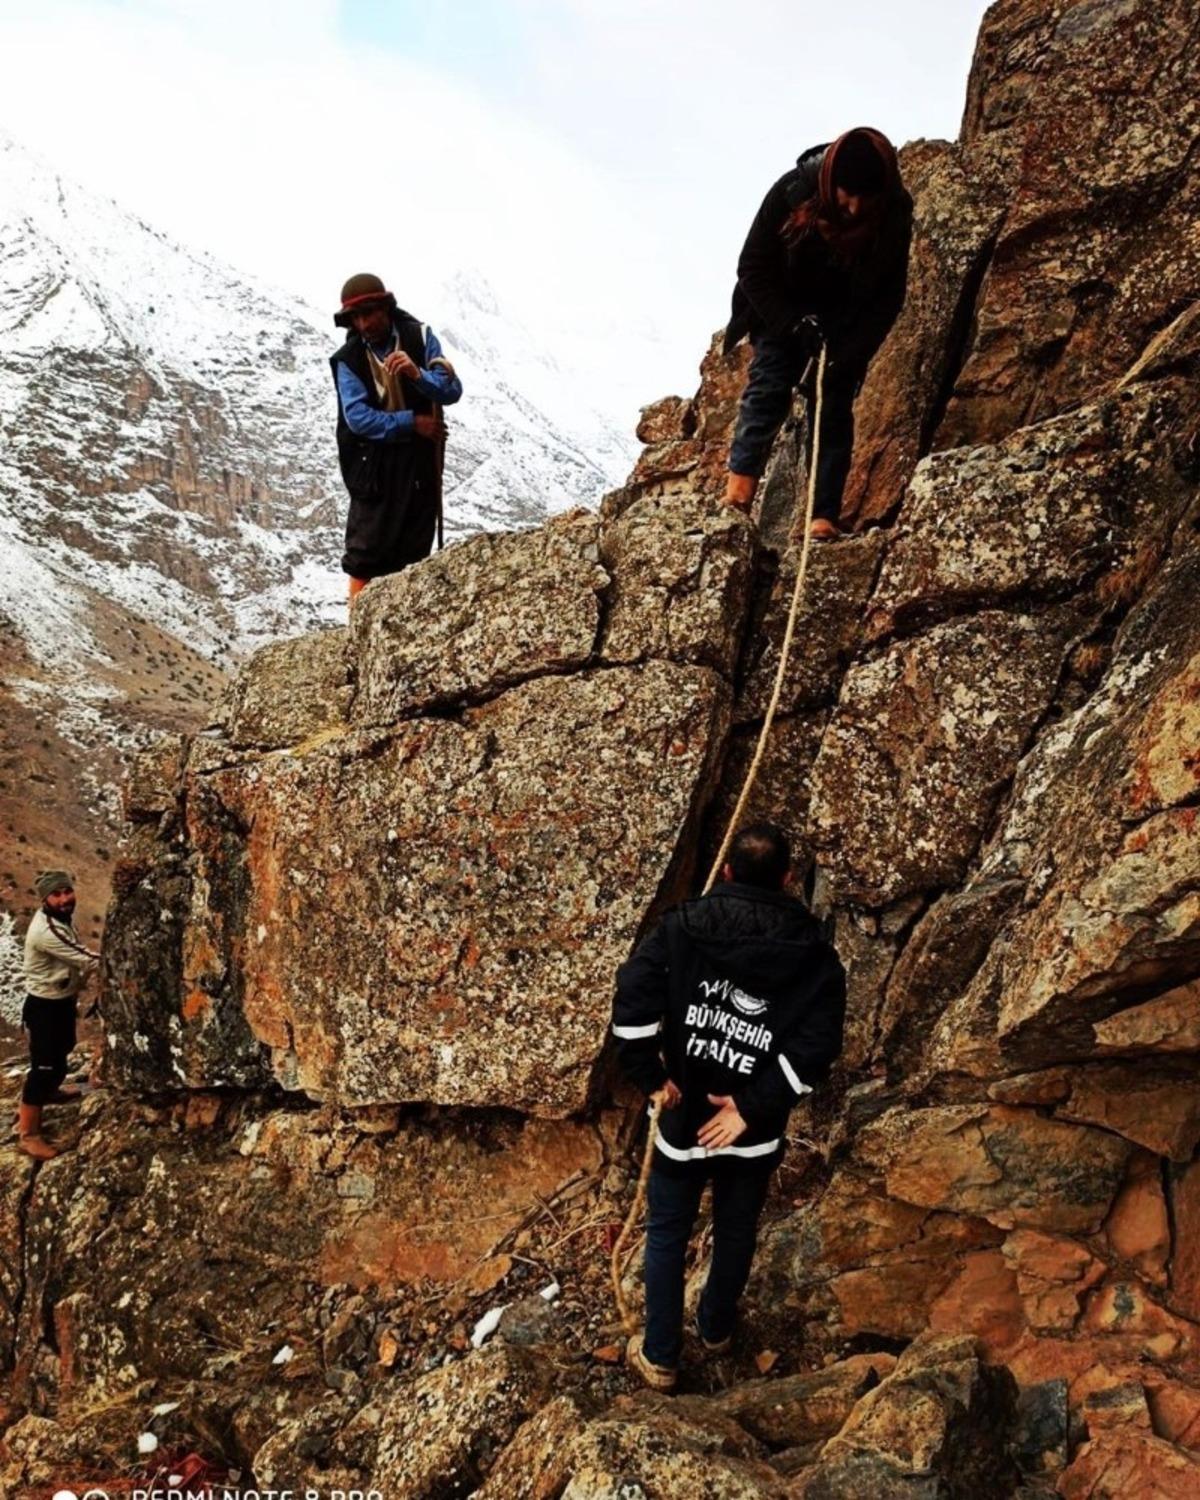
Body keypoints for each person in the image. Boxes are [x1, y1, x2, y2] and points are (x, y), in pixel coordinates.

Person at [611, 823, 845, 1391]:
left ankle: (662, 1355)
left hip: (685, 1112)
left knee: (667, 1230)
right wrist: (748, 1107)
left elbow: (631, 1010)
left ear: (727, 872)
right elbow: (817, 1044)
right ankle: (716, 1328)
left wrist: (655, 1080)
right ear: (789, 879)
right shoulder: (814, 953)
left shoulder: (683, 928)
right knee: (736, 1228)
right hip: (755, 1130)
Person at [723, 128, 912, 539]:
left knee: (833, 404)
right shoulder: (793, 191)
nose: (855, 207)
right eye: (848, 194)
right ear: (832, 182)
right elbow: (753, 267)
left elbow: (888, 297)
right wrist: (791, 323)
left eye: (867, 198)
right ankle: (737, 497)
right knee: (769, 387)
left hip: (844, 316)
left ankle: (822, 516)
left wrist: (852, 352)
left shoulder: (894, 214)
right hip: (781, 305)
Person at [330, 273, 464, 606]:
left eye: (369, 314)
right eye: (356, 318)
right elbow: (358, 419)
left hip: (419, 463)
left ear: (386, 308)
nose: (363, 324)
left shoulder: (419, 337)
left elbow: (450, 390)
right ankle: (359, 630)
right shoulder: (349, 360)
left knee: (414, 545)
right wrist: (412, 423)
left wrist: (416, 374)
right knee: (368, 550)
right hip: (374, 466)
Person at [19, 870, 98, 1160]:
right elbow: (84, 959)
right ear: (45, 899)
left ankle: (51, 1092)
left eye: (67, 891)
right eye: (57, 894)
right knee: (43, 1067)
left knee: (63, 1051)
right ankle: (28, 1135)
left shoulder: (60, 919)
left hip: (61, 1001)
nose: (65, 899)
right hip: (45, 1007)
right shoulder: (46, 931)